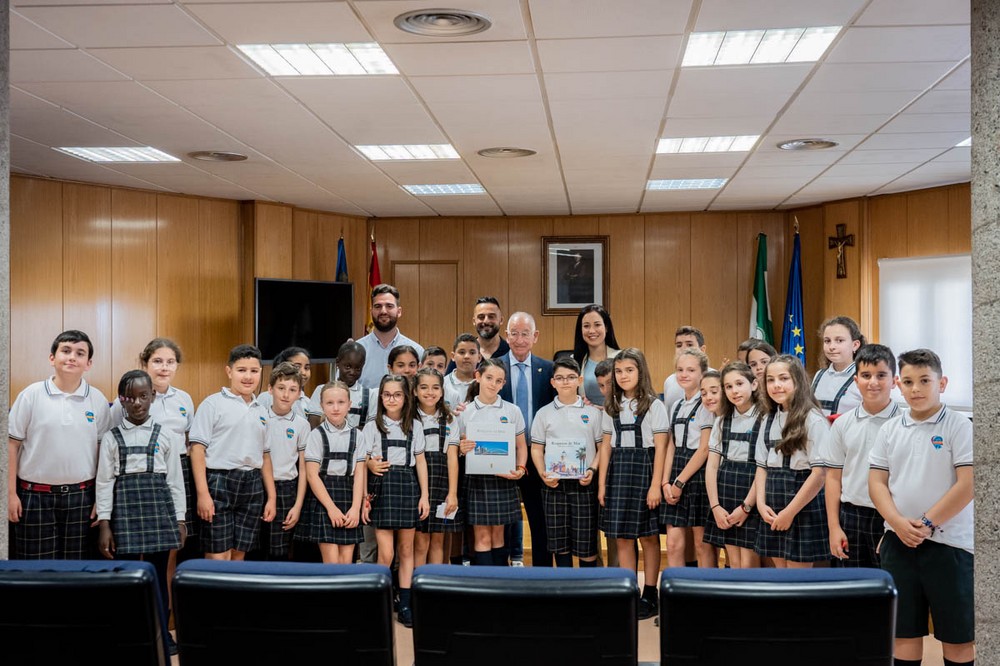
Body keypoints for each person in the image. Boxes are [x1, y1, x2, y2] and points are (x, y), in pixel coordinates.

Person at [869, 349, 974, 666]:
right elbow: (877, 483)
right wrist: (897, 522)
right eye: (909, 382)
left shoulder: (959, 425)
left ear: (941, 383)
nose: (916, 389)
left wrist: (927, 523)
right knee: (903, 636)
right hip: (899, 544)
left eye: (925, 380)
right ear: (899, 385)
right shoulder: (890, 428)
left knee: (958, 639)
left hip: (949, 546)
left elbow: (967, 484)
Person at [96, 369, 185, 655]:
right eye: (130, 397)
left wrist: (180, 518)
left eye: (143, 396)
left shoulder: (166, 435)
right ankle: (130, 634)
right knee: (128, 574)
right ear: (121, 400)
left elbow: (175, 481)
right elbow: (105, 481)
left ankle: (162, 632)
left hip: (159, 510)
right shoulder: (112, 438)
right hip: (125, 511)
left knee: (160, 575)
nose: (137, 403)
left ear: (153, 396)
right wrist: (105, 524)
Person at [8, 329, 112, 559]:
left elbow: (104, 454)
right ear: (52, 358)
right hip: (34, 497)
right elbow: (10, 445)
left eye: (80, 353)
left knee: (76, 572)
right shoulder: (31, 395)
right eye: (65, 350)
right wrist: (9, 494)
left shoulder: (97, 400)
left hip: (82, 498)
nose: (72, 357)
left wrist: (101, 499)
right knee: (36, 571)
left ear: (88, 363)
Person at [109, 337, 196, 592]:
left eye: (170, 362)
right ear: (145, 363)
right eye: (157, 361)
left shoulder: (184, 399)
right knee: (134, 551)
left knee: (170, 549)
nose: (164, 367)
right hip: (137, 476)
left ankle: (165, 618)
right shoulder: (127, 399)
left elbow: (189, 439)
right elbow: (112, 439)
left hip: (177, 473)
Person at [598, 348, 668, 619]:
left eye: (629, 370)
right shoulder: (611, 405)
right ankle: (630, 591)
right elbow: (605, 447)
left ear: (641, 372)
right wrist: (603, 484)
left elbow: (661, 449)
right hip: (619, 471)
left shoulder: (653, 404)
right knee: (623, 538)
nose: (623, 375)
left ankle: (651, 593)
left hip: (644, 469)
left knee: (648, 538)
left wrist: (655, 486)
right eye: (619, 371)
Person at [189, 344, 276, 560]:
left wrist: (271, 497)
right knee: (218, 554)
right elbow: (197, 449)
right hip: (219, 482)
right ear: (229, 372)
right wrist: (203, 494)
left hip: (252, 484)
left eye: (254, 371)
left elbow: (265, 455)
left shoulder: (262, 410)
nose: (248, 376)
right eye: (241, 370)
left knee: (239, 553)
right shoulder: (213, 404)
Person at [825, 344, 901, 567]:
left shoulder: (905, 424)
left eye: (881, 375)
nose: (873, 382)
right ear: (856, 380)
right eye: (866, 375)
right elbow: (833, 477)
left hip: (891, 516)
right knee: (852, 589)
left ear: (894, 381)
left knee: (890, 589)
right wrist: (834, 527)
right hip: (850, 516)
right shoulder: (842, 423)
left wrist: (895, 524)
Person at [362, 374, 430, 627]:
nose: (392, 399)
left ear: (406, 397)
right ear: (380, 397)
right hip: (382, 488)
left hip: (407, 486)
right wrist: (370, 464)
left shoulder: (415, 425)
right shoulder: (372, 426)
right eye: (387, 394)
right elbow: (363, 461)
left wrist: (424, 496)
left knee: (406, 550)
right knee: (386, 552)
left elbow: (420, 462)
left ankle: (405, 603)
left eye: (397, 394)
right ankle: (380, 599)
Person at [753, 355, 830, 567]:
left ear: (797, 380)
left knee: (798, 578)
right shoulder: (767, 418)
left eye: (783, 378)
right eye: (770, 380)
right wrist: (761, 503)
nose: (776, 385)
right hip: (773, 499)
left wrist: (789, 512)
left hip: (801, 501)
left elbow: (820, 473)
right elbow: (761, 466)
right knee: (781, 574)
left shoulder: (812, 419)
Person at [530, 358, 603, 567]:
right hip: (554, 485)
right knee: (559, 543)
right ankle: (566, 591)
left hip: (584, 484)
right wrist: (543, 473)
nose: (565, 382)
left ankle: (586, 590)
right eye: (560, 378)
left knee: (586, 543)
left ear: (579, 380)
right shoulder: (543, 413)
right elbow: (536, 448)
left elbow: (601, 448)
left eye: (571, 377)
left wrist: (592, 469)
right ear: (553, 382)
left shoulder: (592, 413)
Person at [457, 358, 529, 566]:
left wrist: (521, 469)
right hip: (477, 480)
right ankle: (484, 585)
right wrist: (462, 449)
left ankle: (500, 582)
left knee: (498, 536)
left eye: (499, 381)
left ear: (503, 384)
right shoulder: (465, 412)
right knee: (481, 537)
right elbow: (459, 447)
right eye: (489, 378)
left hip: (504, 480)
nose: (493, 384)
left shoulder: (512, 411)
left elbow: (521, 446)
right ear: (478, 376)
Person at [499, 312, 555, 566]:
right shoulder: (493, 367)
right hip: (501, 453)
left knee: (540, 518)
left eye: (525, 333)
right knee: (499, 519)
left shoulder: (549, 370)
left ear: (535, 337)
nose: (519, 339)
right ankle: (499, 576)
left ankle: (542, 574)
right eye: (514, 333)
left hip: (537, 455)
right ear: (506, 335)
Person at [661, 349, 716, 568]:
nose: (684, 374)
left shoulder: (706, 405)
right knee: (673, 544)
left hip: (697, 473)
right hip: (675, 472)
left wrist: (680, 482)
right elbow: (671, 445)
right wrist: (666, 481)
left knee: (702, 544)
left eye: (691, 370)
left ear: (703, 373)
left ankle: (705, 594)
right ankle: (675, 597)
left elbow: (704, 449)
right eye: (680, 370)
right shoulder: (675, 405)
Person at [704, 362, 762, 569]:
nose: (734, 391)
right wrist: (715, 506)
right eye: (728, 386)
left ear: (754, 384)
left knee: (748, 563)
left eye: (739, 383)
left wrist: (746, 507)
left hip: (752, 493)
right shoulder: (722, 421)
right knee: (734, 561)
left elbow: (763, 469)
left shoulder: (764, 418)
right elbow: (711, 467)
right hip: (726, 491)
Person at [304, 381, 366, 564]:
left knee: (346, 561)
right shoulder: (316, 435)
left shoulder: (358, 436)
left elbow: (360, 473)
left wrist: (356, 508)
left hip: (348, 495)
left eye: (341, 402)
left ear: (349, 404)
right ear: (322, 405)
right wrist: (331, 509)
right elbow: (311, 475)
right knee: (331, 561)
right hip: (324, 497)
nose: (336, 408)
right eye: (330, 403)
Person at [260, 362, 309, 560]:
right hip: (259, 485)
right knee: (254, 547)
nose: (285, 395)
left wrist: (297, 506)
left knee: (279, 550)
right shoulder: (260, 417)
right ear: (270, 389)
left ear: (299, 394)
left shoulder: (301, 424)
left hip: (287, 487)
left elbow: (304, 469)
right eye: (281, 388)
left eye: (292, 390)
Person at [413, 368, 461, 566]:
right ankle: (415, 587)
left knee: (438, 540)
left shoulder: (450, 419)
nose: (429, 392)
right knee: (421, 541)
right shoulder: (409, 418)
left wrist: (452, 493)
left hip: (442, 481)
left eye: (435, 387)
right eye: (423, 387)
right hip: (416, 481)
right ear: (415, 391)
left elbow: (452, 458)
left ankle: (434, 589)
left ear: (442, 392)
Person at [357, 284, 424, 390]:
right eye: (378, 306)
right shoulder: (357, 350)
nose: (383, 311)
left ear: (399, 311)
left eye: (389, 306)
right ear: (371, 312)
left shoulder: (417, 351)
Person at [812, 316, 866, 418]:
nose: (832, 346)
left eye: (839, 340)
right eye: (827, 341)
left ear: (855, 345)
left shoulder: (864, 376)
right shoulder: (819, 375)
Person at [258, 347, 322, 428]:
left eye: (306, 368)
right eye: (297, 367)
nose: (303, 372)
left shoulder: (307, 402)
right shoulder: (266, 397)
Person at [571, 304, 622, 407]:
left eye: (597, 325)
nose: (592, 331)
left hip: (618, 418)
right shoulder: (574, 361)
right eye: (586, 326)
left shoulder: (622, 358)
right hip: (587, 419)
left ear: (606, 327)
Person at [662, 326, 709, 409]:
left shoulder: (714, 377)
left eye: (689, 345)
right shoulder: (669, 382)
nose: (683, 349)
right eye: (679, 345)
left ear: (702, 349)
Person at [444, 333, 481, 409]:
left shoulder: (484, 384)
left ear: (479, 358)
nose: (467, 356)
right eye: (462, 352)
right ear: (453, 356)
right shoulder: (442, 384)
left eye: (472, 352)